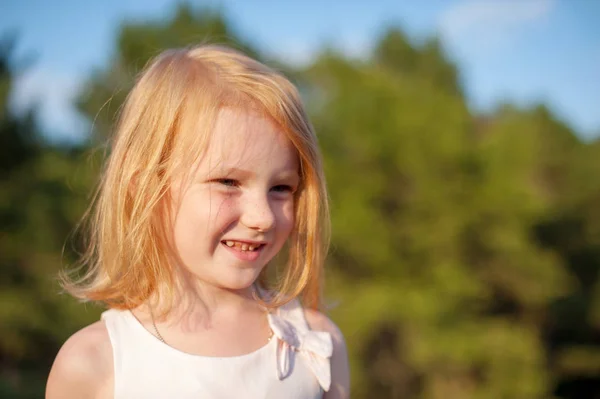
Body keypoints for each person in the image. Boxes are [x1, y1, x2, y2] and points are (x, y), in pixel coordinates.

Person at [46, 44, 350, 398]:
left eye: (281, 188)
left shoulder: (316, 347)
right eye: (228, 183)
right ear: (146, 190)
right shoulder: (95, 363)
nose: (262, 217)